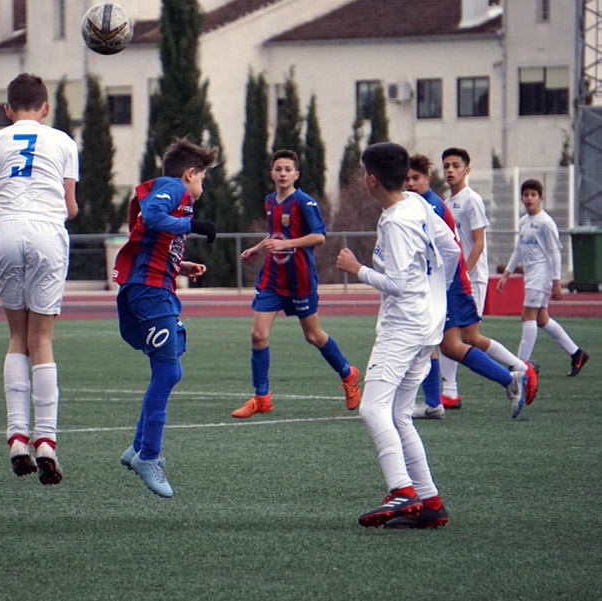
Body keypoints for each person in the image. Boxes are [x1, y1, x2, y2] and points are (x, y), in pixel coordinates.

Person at [336, 142, 464, 529]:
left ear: (371, 180)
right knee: (399, 414)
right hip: (428, 325)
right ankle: (430, 502)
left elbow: (399, 285)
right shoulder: (418, 202)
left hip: (404, 328)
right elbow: (453, 250)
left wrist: (356, 269)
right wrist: (435, 295)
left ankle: (401, 491)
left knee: (372, 409)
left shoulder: (395, 220)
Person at [0, 73, 79, 486]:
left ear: (6, 110)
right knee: (43, 341)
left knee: (17, 338)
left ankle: (17, 436)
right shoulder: (63, 142)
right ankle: (47, 442)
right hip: (46, 235)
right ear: (46, 108)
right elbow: (70, 207)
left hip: (6, 232)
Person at [113, 138, 218, 498]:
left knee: (173, 362)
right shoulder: (173, 188)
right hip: (150, 292)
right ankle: (149, 456)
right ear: (190, 174)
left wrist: (181, 263)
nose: (201, 186)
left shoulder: (173, 191)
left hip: (159, 289)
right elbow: (156, 217)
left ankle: (138, 447)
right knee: (169, 371)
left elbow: (151, 235)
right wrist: (197, 226)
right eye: (202, 178)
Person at [405, 155, 537, 419]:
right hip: (441, 283)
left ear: (427, 179)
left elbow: (453, 249)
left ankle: (511, 374)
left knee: (448, 342)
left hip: (449, 283)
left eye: (415, 178)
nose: (410, 184)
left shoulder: (430, 206)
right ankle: (439, 400)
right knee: (446, 345)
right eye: (406, 179)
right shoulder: (425, 203)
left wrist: (441, 282)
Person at [232, 149, 360, 419]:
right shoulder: (270, 202)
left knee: (313, 335)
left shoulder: (304, 202)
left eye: (288, 169)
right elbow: (275, 234)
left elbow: (319, 237)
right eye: (278, 169)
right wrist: (258, 249)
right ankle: (261, 397)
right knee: (258, 335)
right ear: (272, 173)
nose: (282, 174)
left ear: (296, 174)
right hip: (272, 278)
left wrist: (286, 244)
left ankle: (348, 374)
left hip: (300, 279)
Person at [497, 179, 589, 376]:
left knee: (527, 316)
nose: (529, 198)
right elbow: (519, 250)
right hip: (530, 276)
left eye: (533, 195)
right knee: (541, 318)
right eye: (526, 195)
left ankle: (520, 366)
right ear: (521, 198)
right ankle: (577, 353)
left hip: (542, 276)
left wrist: (556, 282)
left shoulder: (546, 223)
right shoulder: (523, 222)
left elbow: (556, 253)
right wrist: (506, 274)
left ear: (541, 198)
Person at [438, 147, 490, 409]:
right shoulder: (446, 204)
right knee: (448, 333)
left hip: (472, 277)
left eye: (456, 165)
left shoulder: (472, 200)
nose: (450, 170)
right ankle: (450, 390)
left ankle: (520, 368)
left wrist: (465, 273)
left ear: (467, 170)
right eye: (446, 165)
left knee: (470, 337)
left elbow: (478, 243)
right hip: (454, 280)